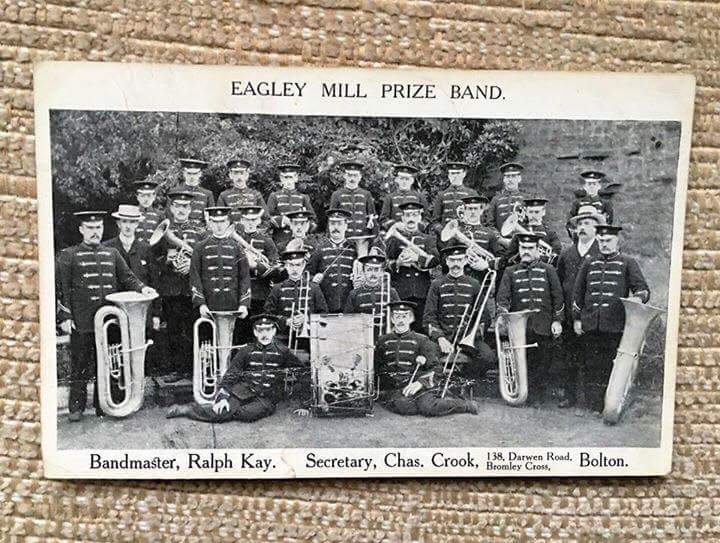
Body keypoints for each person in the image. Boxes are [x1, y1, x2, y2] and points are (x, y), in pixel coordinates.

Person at [56, 211, 157, 421]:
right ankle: (76, 407)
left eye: (99, 227)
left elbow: (128, 277)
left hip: (110, 320)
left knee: (110, 362)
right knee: (80, 364)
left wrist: (143, 288)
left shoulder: (112, 253)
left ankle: (105, 405)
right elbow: (62, 288)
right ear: (81, 229)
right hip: (82, 319)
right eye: (90, 228)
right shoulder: (69, 255)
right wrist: (65, 316)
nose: (95, 232)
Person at [165, 314, 305, 422]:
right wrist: (223, 397)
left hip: (265, 398)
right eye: (260, 330)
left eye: (268, 330)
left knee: (247, 415)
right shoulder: (246, 350)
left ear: (274, 331)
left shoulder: (283, 351)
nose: (264, 334)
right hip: (242, 391)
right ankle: (187, 409)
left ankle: (221, 410)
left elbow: (303, 372)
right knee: (221, 411)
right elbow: (232, 373)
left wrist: (303, 403)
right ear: (255, 332)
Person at [572, 224, 650, 412]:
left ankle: (609, 404)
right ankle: (592, 405)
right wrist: (577, 319)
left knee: (609, 364)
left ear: (617, 241)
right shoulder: (589, 263)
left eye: (608, 241)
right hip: (590, 323)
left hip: (614, 324)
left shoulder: (628, 262)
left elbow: (643, 289)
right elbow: (577, 293)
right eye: (601, 241)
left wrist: (638, 297)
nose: (604, 244)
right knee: (590, 364)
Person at [375, 301, 479, 416]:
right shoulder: (383, 340)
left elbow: (436, 368)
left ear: (411, 319)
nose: (401, 321)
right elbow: (378, 367)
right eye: (397, 317)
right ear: (392, 319)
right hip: (397, 388)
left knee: (427, 407)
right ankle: (435, 400)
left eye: (404, 316)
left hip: (418, 385)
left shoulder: (421, 340)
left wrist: (420, 383)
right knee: (405, 407)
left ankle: (465, 405)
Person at [496, 233, 564, 404]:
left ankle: (537, 396)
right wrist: (503, 315)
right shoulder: (510, 271)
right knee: (524, 362)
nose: (526, 251)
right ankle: (524, 395)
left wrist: (557, 320)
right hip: (520, 327)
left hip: (543, 324)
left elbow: (558, 297)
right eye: (523, 248)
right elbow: (502, 298)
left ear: (537, 250)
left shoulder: (549, 270)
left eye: (530, 248)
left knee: (544, 361)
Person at [153, 190, 208, 380]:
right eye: (178, 206)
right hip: (171, 290)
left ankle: (194, 370)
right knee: (174, 331)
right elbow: (154, 259)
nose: (182, 210)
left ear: (190, 209)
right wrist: (166, 260)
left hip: (192, 290)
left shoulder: (200, 232)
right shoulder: (163, 230)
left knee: (194, 330)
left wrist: (191, 264)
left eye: (185, 206)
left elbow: (205, 259)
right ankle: (177, 370)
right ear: (172, 208)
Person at [423, 245, 496, 382]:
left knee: (489, 357)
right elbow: (429, 317)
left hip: (468, 337)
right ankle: (439, 382)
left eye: (459, 260)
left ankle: (465, 379)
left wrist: (470, 338)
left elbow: (483, 318)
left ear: (465, 261)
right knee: (428, 354)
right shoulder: (437, 284)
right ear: (447, 262)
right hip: (444, 336)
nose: (456, 264)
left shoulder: (474, 284)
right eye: (452, 260)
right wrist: (440, 338)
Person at [554, 205, 603, 407]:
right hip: (568, 314)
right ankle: (570, 396)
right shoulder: (567, 254)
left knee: (592, 357)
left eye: (587, 223)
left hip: (592, 314)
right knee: (569, 355)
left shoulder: (601, 252)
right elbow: (559, 282)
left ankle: (593, 400)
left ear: (596, 228)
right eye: (580, 224)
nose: (582, 227)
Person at [189, 206, 251, 328]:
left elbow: (244, 277)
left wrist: (244, 304)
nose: (219, 226)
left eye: (222, 221)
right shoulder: (200, 247)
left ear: (228, 222)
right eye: (215, 221)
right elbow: (195, 277)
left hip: (233, 304)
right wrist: (201, 303)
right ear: (210, 223)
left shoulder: (237, 247)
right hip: (208, 303)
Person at [103, 204, 161, 331]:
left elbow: (154, 282)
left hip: (142, 310)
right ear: (118, 223)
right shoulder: (107, 248)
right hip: (115, 311)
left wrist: (156, 314)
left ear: (137, 224)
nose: (128, 226)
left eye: (132, 222)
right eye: (124, 221)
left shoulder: (146, 249)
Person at [384, 201, 439, 328]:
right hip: (401, 291)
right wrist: (398, 263)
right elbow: (385, 264)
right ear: (403, 218)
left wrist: (417, 258)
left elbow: (436, 260)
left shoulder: (427, 239)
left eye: (414, 215)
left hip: (422, 291)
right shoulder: (394, 240)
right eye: (407, 215)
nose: (411, 219)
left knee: (421, 327)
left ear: (419, 217)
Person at [231, 205, 280, 342]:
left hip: (259, 294)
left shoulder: (267, 241)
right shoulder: (233, 241)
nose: (250, 223)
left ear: (258, 220)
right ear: (241, 220)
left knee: (259, 334)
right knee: (238, 335)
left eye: (254, 219)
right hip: (238, 295)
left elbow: (276, 269)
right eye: (247, 220)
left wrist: (255, 266)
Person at [264, 249, 328, 352]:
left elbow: (324, 314)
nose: (294, 269)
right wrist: (286, 321)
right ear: (285, 266)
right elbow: (268, 315)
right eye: (291, 265)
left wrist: (307, 319)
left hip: (309, 339)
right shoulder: (277, 288)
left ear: (303, 266)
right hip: (283, 339)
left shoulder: (314, 288)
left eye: (298, 265)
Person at [440, 195, 504, 282]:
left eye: (475, 209)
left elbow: (502, 259)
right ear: (465, 211)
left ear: (481, 211)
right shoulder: (458, 231)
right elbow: (444, 260)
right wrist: (463, 257)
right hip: (459, 281)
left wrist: (487, 264)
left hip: (481, 279)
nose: (473, 212)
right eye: (470, 209)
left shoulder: (489, 233)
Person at [306, 208, 357, 313]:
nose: (335, 228)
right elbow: (305, 274)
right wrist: (313, 278)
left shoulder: (354, 249)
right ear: (329, 226)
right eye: (332, 224)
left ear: (346, 226)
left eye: (339, 224)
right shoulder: (320, 249)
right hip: (326, 304)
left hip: (350, 305)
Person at [343, 254, 400, 336]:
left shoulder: (391, 292)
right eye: (369, 270)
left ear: (381, 272)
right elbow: (348, 319)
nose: (373, 274)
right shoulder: (354, 294)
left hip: (386, 337)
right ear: (364, 272)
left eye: (376, 270)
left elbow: (398, 315)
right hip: (362, 336)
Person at [266, 163, 316, 249]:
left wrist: (304, 225)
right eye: (286, 177)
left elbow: (314, 221)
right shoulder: (274, 196)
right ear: (281, 178)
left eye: (291, 177)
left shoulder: (303, 198)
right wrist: (283, 220)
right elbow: (266, 220)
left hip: (300, 242)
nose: (288, 181)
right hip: (280, 241)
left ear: (296, 178)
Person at [505, 197, 563, 265]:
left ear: (543, 212)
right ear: (526, 212)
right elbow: (509, 256)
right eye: (531, 212)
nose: (533, 215)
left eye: (537, 212)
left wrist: (540, 257)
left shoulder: (550, 234)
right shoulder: (518, 234)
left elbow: (557, 254)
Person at [328, 160, 377, 240]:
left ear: (360, 177)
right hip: (344, 238)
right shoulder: (336, 195)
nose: (352, 179)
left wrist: (373, 238)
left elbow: (372, 218)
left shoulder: (366, 194)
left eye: (355, 175)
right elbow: (331, 219)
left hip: (363, 238)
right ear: (344, 176)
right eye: (349, 175)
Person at [430, 162, 479, 233]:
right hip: (446, 235)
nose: (455, 176)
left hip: (466, 234)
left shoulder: (472, 194)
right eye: (452, 173)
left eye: (458, 173)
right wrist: (443, 231)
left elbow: (478, 219)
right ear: (449, 176)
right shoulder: (442, 195)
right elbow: (435, 221)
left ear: (464, 174)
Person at [217, 158, 269, 226]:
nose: (239, 177)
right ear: (230, 175)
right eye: (236, 173)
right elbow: (219, 219)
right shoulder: (224, 196)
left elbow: (266, 217)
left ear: (247, 175)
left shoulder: (256, 195)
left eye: (242, 173)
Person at [379, 164, 429, 232]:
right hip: (396, 233)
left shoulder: (419, 197)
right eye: (401, 179)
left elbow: (427, 219)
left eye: (407, 179)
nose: (404, 182)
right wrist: (395, 225)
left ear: (412, 181)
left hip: (416, 233)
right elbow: (383, 220)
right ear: (397, 180)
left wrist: (418, 226)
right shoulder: (389, 198)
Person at [485, 162, 526, 235]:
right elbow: (489, 223)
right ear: (504, 179)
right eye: (507, 176)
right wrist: (499, 238)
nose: (510, 180)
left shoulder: (526, 199)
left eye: (513, 176)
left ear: (519, 178)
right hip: (501, 240)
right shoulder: (496, 200)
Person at [173, 157, 215, 227]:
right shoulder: (174, 192)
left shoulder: (208, 194)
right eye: (189, 173)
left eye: (195, 174)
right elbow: (169, 216)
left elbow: (212, 218)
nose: (192, 177)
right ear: (184, 173)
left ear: (200, 174)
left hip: (200, 230)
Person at [133, 179, 164, 244]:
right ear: (137, 196)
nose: (146, 199)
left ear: (154, 197)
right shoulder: (131, 213)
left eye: (149, 196)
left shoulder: (160, 215)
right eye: (142, 196)